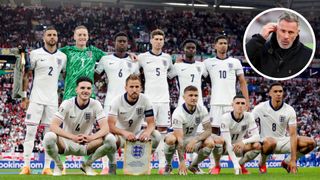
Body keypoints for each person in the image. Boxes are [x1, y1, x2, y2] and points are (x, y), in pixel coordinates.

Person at [43, 76, 117, 176]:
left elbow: (105, 128)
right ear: (76, 90)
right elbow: (53, 126)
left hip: (86, 145)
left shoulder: (96, 104)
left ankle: (87, 164)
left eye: (88, 88)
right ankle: (59, 165)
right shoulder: (67, 104)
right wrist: (72, 137)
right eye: (82, 88)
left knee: (111, 139)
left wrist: (91, 138)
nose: (85, 91)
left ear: (91, 91)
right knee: (48, 137)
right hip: (66, 144)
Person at [20, 26, 67, 175]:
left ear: (57, 38)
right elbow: (26, 75)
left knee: (50, 136)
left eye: (54, 35)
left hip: (52, 102)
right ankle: (26, 166)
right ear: (44, 37)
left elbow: (66, 76)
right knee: (30, 133)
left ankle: (47, 167)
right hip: (36, 100)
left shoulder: (63, 57)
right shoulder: (35, 54)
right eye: (49, 35)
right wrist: (24, 96)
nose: (52, 37)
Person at [203, 35, 249, 174]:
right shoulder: (208, 62)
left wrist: (246, 101)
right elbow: (200, 77)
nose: (223, 45)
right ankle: (216, 165)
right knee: (215, 135)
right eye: (220, 43)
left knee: (238, 134)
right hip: (216, 103)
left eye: (225, 43)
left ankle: (241, 163)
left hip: (232, 104)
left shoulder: (235, 62)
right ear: (215, 46)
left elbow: (242, 81)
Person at [95, 32, 139, 174]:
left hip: (129, 104)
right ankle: (109, 166)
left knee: (130, 134)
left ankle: (132, 166)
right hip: (110, 103)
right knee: (108, 136)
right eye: (119, 41)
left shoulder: (134, 61)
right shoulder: (105, 59)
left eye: (124, 41)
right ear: (114, 43)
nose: (121, 43)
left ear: (128, 44)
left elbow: (137, 80)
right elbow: (96, 76)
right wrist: (101, 84)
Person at [252, 82, 316, 174]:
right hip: (266, 142)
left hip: (282, 141)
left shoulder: (289, 110)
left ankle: (286, 162)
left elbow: (293, 134)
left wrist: (293, 160)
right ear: (270, 93)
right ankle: (262, 164)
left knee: (311, 143)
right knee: (270, 141)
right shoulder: (260, 108)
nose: (278, 93)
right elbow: (248, 123)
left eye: (280, 91)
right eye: (275, 91)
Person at [108, 74, 161, 175]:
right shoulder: (116, 101)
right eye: (131, 87)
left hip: (138, 135)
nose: (134, 89)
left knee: (157, 135)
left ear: (141, 88)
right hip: (121, 136)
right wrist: (125, 133)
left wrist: (146, 133)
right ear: (126, 88)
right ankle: (112, 164)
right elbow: (111, 126)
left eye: (137, 87)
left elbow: (151, 123)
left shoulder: (145, 100)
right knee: (109, 139)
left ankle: (144, 161)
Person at [138, 29, 174, 174]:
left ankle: (161, 164)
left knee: (163, 133)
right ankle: (146, 163)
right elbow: (136, 73)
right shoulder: (142, 57)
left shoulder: (168, 58)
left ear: (163, 41)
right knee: (149, 132)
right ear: (151, 40)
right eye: (156, 39)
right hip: (149, 100)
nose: (159, 41)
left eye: (161, 39)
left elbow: (171, 75)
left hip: (164, 100)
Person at [163, 85, 214, 175]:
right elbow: (180, 139)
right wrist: (182, 162)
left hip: (191, 138)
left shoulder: (202, 109)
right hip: (177, 139)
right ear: (184, 97)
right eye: (190, 95)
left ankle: (194, 165)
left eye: (196, 95)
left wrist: (195, 140)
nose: (193, 98)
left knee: (210, 142)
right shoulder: (178, 113)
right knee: (170, 139)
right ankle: (168, 165)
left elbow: (208, 130)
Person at [246, 12, 313, 78]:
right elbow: (246, 57)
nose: (286, 36)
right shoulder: (260, 50)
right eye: (283, 31)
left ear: (297, 33)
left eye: (291, 32)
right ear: (276, 30)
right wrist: (259, 38)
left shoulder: (308, 54)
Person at [60, 25, 105, 100]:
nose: (82, 37)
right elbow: (52, 53)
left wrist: (98, 73)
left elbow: (110, 58)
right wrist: (63, 71)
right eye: (79, 35)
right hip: (70, 94)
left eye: (84, 35)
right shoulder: (67, 51)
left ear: (88, 37)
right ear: (74, 37)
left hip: (88, 95)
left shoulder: (93, 51)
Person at [220, 95, 261, 175]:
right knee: (218, 141)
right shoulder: (225, 117)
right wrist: (235, 163)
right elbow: (228, 143)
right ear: (232, 105)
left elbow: (257, 137)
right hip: (223, 147)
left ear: (246, 106)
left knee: (257, 145)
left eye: (242, 103)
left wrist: (243, 142)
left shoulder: (249, 116)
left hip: (239, 146)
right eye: (237, 103)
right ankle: (217, 166)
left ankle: (241, 164)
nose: (240, 105)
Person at [169, 39, 208, 106]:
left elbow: (209, 80)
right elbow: (167, 78)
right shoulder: (177, 65)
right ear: (184, 49)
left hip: (198, 103)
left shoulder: (201, 65)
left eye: (193, 48)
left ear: (196, 50)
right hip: (182, 102)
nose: (191, 49)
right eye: (188, 48)